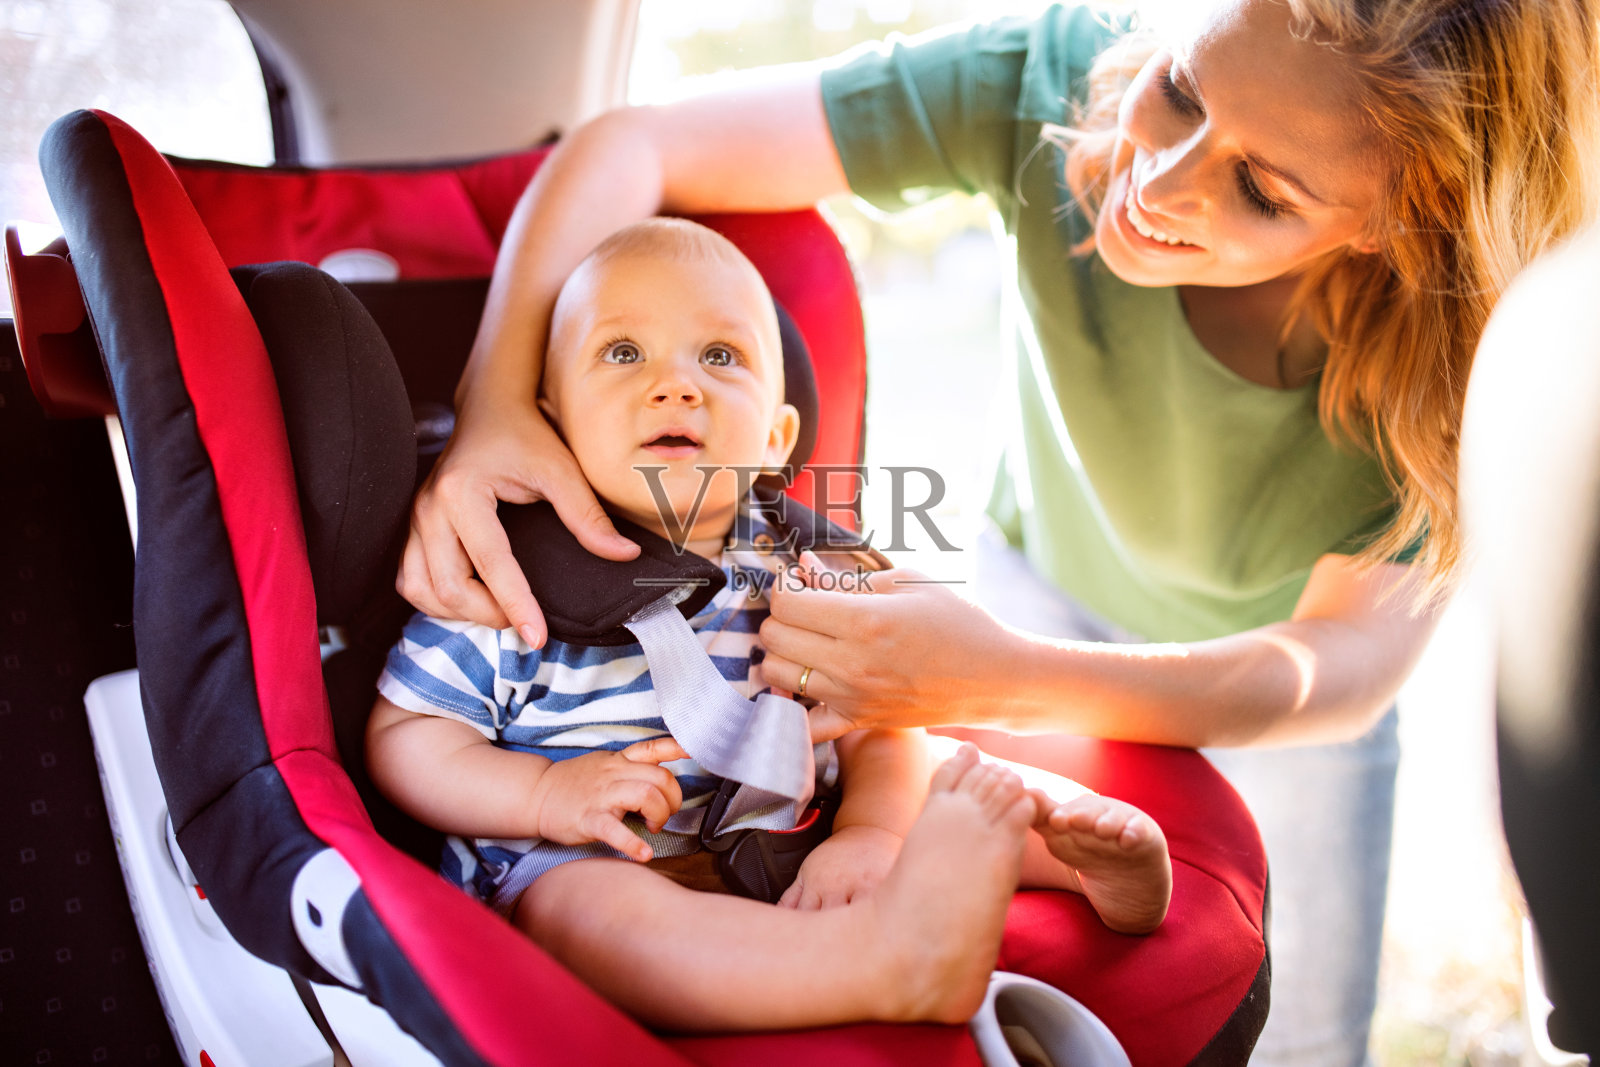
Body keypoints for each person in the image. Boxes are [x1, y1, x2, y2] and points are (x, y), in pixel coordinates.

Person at [396, 2, 1600, 1061]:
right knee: (888, 781)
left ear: (1401, 216)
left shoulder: (1472, 341)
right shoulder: (1046, 76)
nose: (1160, 177)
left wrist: (960, 716)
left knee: (1300, 1021)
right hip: (1038, 576)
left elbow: (1326, 673)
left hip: (1276, 684)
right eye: (1177, 87)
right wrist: (495, 406)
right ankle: (899, 943)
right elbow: (630, 143)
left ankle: (1082, 860)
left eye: (1259, 188)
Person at [366, 219, 1173, 1031]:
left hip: (799, 830)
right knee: (584, 916)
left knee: (944, 771)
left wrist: (868, 834)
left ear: (777, 438)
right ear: (547, 418)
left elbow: (880, 726)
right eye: (622, 353)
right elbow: (407, 737)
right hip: (586, 858)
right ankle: (883, 962)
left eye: (720, 357)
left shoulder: (811, 566)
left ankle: (1080, 858)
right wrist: (544, 794)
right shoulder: (503, 573)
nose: (677, 385)